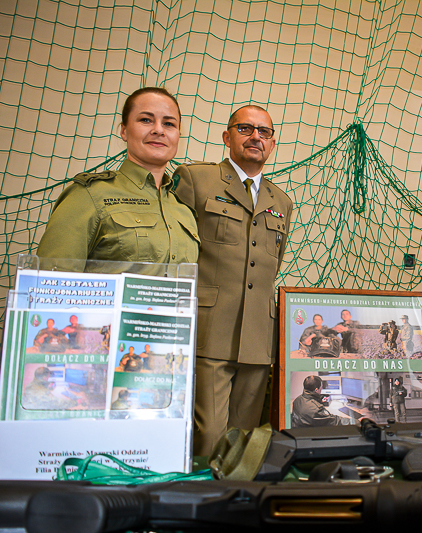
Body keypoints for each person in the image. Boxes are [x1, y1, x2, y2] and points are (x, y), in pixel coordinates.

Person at [173, 105, 293, 455]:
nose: (256, 136)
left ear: (271, 144)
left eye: (264, 132)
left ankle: (235, 503)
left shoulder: (281, 201)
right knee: (208, 435)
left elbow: (270, 265)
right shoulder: (195, 179)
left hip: (257, 336)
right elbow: (177, 250)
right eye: (246, 129)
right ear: (228, 137)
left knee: (245, 440)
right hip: (210, 330)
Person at [36, 87, 199, 265]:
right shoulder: (90, 195)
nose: (159, 130)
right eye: (146, 120)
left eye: (169, 124)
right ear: (124, 131)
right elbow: (49, 281)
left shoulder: (184, 211)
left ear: (178, 136)